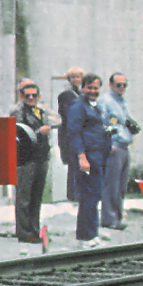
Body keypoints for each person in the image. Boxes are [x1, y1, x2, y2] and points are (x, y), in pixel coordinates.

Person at [70, 72, 111, 247]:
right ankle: (86, 237)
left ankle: (91, 233)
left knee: (94, 196)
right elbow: (74, 133)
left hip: (97, 157)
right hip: (88, 158)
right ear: (82, 88)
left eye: (96, 88)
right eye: (90, 88)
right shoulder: (78, 106)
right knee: (89, 197)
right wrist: (82, 157)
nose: (93, 91)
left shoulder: (93, 106)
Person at [10, 79, 51, 247]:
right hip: (26, 159)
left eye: (34, 95)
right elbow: (20, 134)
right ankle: (24, 231)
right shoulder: (18, 112)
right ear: (21, 96)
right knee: (24, 197)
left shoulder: (40, 111)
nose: (31, 98)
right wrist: (39, 132)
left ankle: (34, 229)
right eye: (28, 96)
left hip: (41, 157)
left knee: (36, 196)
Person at [97, 72, 135, 231]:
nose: (122, 88)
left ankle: (117, 216)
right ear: (111, 85)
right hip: (114, 146)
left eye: (124, 85)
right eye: (118, 85)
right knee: (111, 185)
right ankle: (109, 218)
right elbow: (102, 124)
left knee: (121, 186)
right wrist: (109, 143)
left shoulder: (122, 101)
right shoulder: (106, 102)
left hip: (124, 146)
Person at [55, 65, 85, 203]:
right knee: (74, 165)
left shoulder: (81, 93)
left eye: (78, 77)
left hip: (80, 134)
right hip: (70, 134)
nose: (76, 79)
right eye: (73, 77)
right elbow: (68, 116)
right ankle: (74, 195)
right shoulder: (67, 95)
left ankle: (79, 193)